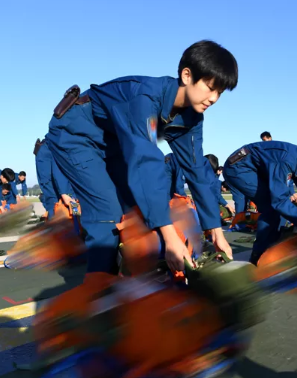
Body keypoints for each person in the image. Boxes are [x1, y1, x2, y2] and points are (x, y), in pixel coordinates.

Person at [45, 40, 238, 274]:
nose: (214, 98)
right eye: (210, 88)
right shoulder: (145, 99)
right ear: (187, 76)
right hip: (76, 133)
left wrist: (216, 231)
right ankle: (98, 292)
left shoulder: (192, 117)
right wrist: (170, 237)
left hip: (113, 141)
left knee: (137, 211)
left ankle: (136, 280)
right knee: (106, 213)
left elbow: (197, 170)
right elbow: (146, 161)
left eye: (220, 92)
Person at [223, 140, 297, 264]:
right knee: (271, 208)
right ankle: (259, 256)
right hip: (239, 168)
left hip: (257, 168)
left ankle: (273, 246)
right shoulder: (285, 160)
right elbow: (279, 200)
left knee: (282, 209)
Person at [35, 138, 75, 220]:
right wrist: (64, 192)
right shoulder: (59, 145)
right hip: (54, 183)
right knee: (60, 204)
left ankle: (75, 227)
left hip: (51, 179)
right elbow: (58, 170)